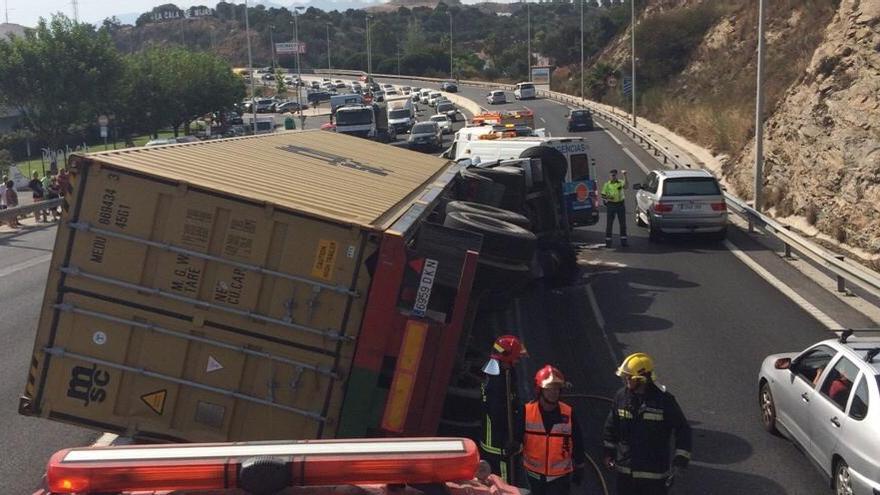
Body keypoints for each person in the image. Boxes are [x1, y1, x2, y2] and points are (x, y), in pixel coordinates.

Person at [603, 353, 692, 495]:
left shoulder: (664, 401)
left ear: (642, 379)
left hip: (654, 476)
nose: (626, 380)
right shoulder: (621, 397)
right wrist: (609, 453)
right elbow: (611, 427)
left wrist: (680, 460)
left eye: (629, 377)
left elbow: (683, 430)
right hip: (626, 473)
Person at [518, 365, 586, 495]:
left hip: (559, 479)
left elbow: (578, 442)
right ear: (540, 390)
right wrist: (514, 445)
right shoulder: (527, 411)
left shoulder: (568, 413)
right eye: (549, 389)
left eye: (557, 389)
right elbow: (517, 436)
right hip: (532, 477)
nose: (554, 393)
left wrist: (580, 466)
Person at [480, 335, 528, 483]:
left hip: (494, 442)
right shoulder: (498, 381)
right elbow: (498, 414)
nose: (518, 361)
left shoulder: (499, 373)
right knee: (502, 485)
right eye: (516, 358)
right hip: (497, 445)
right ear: (507, 358)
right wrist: (510, 440)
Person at [601, 169, 628, 248]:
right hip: (611, 205)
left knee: (622, 224)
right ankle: (608, 242)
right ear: (610, 176)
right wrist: (609, 197)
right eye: (612, 175)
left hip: (620, 205)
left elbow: (626, 186)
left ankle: (624, 242)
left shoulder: (620, 182)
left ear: (616, 175)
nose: (613, 177)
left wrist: (625, 175)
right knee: (609, 224)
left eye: (614, 175)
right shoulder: (607, 184)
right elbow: (603, 195)